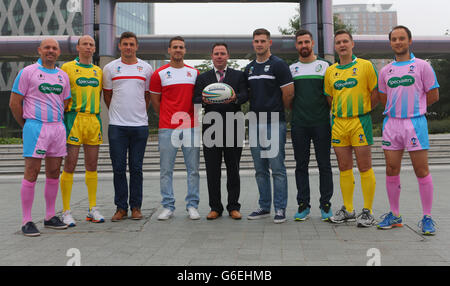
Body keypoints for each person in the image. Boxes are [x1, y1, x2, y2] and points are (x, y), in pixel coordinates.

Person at [376, 26, 439, 235]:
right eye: (394, 39)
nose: (398, 42)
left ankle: (427, 217)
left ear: (410, 40)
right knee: (391, 169)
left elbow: (433, 95)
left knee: (421, 170)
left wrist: (415, 108)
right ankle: (395, 215)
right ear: (391, 43)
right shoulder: (385, 71)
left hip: (415, 123)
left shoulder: (422, 66)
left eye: (402, 38)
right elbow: (385, 98)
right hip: (392, 124)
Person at [9, 38, 71, 236]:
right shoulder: (27, 72)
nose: (50, 51)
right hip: (36, 127)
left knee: (54, 172)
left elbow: (66, 102)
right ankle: (26, 220)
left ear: (59, 52)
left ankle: (50, 216)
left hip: (57, 128)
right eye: (47, 48)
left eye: (54, 48)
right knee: (32, 172)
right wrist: (26, 125)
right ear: (39, 50)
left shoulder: (63, 76)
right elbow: (14, 103)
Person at [324, 30, 379, 227]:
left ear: (352, 43)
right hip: (339, 123)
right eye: (338, 42)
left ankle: (368, 211)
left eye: (345, 41)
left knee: (364, 167)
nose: (342, 45)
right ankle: (348, 209)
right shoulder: (331, 71)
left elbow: (375, 94)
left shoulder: (365, 66)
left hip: (360, 121)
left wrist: (362, 111)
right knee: (344, 167)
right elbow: (330, 97)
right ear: (335, 46)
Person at [193, 43, 248, 220]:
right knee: (212, 170)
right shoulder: (203, 78)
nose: (219, 56)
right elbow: (194, 99)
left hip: (234, 126)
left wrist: (236, 98)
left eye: (222, 53)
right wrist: (202, 100)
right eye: (216, 53)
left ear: (227, 56)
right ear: (212, 56)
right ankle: (215, 207)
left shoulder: (239, 75)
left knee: (233, 169)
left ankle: (233, 207)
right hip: (211, 128)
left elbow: (246, 94)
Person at [244, 28, 294, 224]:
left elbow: (288, 94)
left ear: (269, 43)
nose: (259, 44)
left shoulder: (279, 65)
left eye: (263, 41)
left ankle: (280, 208)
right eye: (256, 41)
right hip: (255, 123)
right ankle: (264, 206)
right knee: (260, 168)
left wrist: (276, 111)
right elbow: (246, 95)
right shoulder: (249, 68)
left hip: (274, 122)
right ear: (253, 43)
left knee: (277, 167)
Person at [103, 31, 153, 221]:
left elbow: (147, 95)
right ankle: (120, 207)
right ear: (119, 46)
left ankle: (136, 207)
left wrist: (138, 113)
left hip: (140, 126)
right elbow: (107, 95)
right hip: (117, 126)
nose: (128, 47)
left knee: (136, 168)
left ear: (137, 46)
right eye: (125, 44)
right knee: (118, 168)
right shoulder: (110, 68)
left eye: (131, 44)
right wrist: (117, 113)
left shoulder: (146, 68)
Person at [150, 36, 201, 220]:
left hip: (191, 127)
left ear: (185, 50)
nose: (178, 50)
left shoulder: (194, 73)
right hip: (167, 127)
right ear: (169, 50)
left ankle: (192, 205)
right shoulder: (160, 74)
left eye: (181, 47)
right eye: (175, 47)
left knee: (193, 169)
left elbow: (198, 100)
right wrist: (167, 115)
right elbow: (156, 102)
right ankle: (168, 206)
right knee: (166, 170)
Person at [289, 29, 334, 222]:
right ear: (296, 46)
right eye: (300, 43)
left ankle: (325, 205)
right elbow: (289, 97)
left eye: (306, 42)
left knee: (324, 165)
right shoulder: (291, 69)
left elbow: (332, 96)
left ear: (313, 43)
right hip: (299, 124)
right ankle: (303, 205)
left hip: (322, 123)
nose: (303, 46)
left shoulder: (326, 66)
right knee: (301, 166)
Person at [59, 35, 104, 226]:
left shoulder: (98, 71)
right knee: (70, 164)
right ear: (78, 47)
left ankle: (92, 208)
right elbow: (62, 96)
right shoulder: (67, 68)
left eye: (91, 44)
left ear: (94, 49)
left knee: (92, 165)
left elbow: (101, 94)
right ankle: (66, 210)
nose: (88, 47)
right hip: (74, 118)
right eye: (84, 44)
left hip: (93, 119)